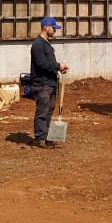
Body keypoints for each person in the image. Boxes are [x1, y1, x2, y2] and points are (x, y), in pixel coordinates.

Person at [29, 16, 67, 147]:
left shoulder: (46, 44)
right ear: (46, 27)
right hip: (42, 84)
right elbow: (42, 63)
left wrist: (59, 68)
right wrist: (58, 66)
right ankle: (40, 137)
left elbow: (49, 63)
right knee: (42, 111)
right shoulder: (38, 45)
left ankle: (45, 136)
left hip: (50, 83)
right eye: (53, 28)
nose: (55, 31)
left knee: (49, 110)